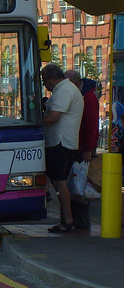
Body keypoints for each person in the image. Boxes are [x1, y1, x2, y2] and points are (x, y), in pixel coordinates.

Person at [41, 63, 83, 233]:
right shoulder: (62, 89)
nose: (44, 84)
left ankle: (67, 221)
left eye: (45, 80)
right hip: (61, 142)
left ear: (52, 78)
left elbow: (53, 117)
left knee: (59, 182)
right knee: (57, 181)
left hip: (60, 142)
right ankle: (65, 220)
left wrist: (34, 121)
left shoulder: (64, 90)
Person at [65, 70, 100, 229]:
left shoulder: (88, 98)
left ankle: (81, 222)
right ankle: (76, 221)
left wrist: (88, 149)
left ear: (76, 83)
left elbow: (91, 126)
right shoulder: (82, 95)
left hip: (82, 148)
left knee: (80, 185)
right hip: (77, 145)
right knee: (75, 184)